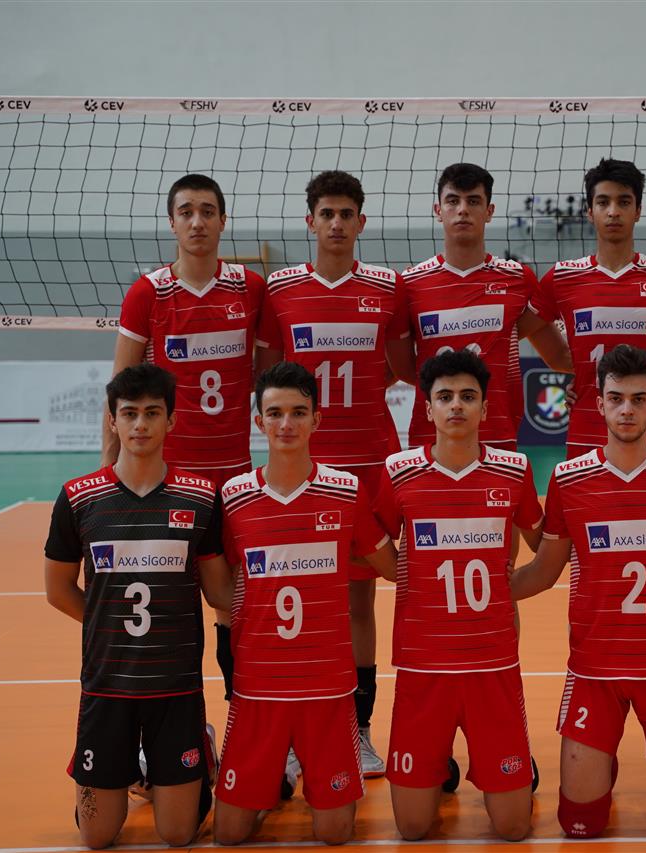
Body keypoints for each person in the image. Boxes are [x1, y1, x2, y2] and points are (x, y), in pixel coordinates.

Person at [512, 344, 646, 839]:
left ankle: (611, 758)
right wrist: (481, 591)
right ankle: (600, 758)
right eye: (617, 398)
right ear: (599, 403)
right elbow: (543, 571)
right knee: (579, 824)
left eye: (638, 399)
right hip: (595, 672)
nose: (627, 410)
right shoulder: (568, 480)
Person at [254, 170, 412, 777]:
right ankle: (298, 732)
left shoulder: (387, 288)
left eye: (347, 214)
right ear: (310, 221)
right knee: (302, 601)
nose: (338, 223)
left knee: (357, 604)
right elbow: (271, 377)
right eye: (328, 213)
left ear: (361, 222)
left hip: (370, 465)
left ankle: (358, 730)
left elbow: (399, 366)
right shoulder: (282, 290)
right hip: (302, 469)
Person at [199, 362, 397, 845]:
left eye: (298, 412)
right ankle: (234, 760)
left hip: (328, 689)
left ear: (316, 419)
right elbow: (218, 591)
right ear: (258, 421)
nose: (286, 424)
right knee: (228, 834)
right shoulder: (234, 498)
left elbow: (393, 566)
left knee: (335, 833)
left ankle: (287, 774)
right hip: (258, 689)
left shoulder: (346, 491)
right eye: (275, 413)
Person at [108, 173, 264, 727]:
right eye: (186, 212)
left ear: (223, 220)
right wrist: (111, 477)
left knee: (233, 605)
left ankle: (245, 722)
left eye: (207, 211)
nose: (197, 222)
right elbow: (120, 392)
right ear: (171, 222)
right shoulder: (148, 293)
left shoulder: (250, 288)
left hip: (234, 477)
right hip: (168, 483)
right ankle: (177, 729)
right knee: (168, 606)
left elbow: (269, 381)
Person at [44, 364, 221, 848]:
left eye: (152, 413)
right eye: (129, 413)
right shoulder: (79, 499)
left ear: (171, 420)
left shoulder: (201, 498)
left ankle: (200, 750)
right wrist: (109, 622)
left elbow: (219, 592)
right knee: (97, 837)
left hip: (176, 688)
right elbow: (58, 590)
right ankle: (137, 771)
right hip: (107, 687)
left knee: (178, 835)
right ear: (112, 420)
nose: (140, 424)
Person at [373, 350, 542, 841]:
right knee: (411, 828)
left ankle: (507, 762)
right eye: (444, 397)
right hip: (423, 667)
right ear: (427, 408)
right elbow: (374, 545)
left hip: (493, 666)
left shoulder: (513, 470)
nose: (456, 406)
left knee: (513, 828)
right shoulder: (399, 471)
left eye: (468, 397)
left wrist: (508, 589)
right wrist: (409, 578)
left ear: (485, 408)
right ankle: (438, 761)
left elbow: (546, 546)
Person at [528, 159, 646, 457]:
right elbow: (537, 337)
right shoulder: (562, 278)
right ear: (589, 211)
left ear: (638, 210)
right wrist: (584, 375)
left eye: (624, 202)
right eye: (603, 202)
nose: (613, 211)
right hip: (585, 438)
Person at [399, 162, 572, 451]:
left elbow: (559, 354)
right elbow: (402, 369)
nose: (462, 210)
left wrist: (597, 384)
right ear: (438, 210)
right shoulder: (409, 284)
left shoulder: (518, 279)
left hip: (499, 438)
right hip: (431, 440)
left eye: (473, 201)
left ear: (489, 211)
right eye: (453, 201)